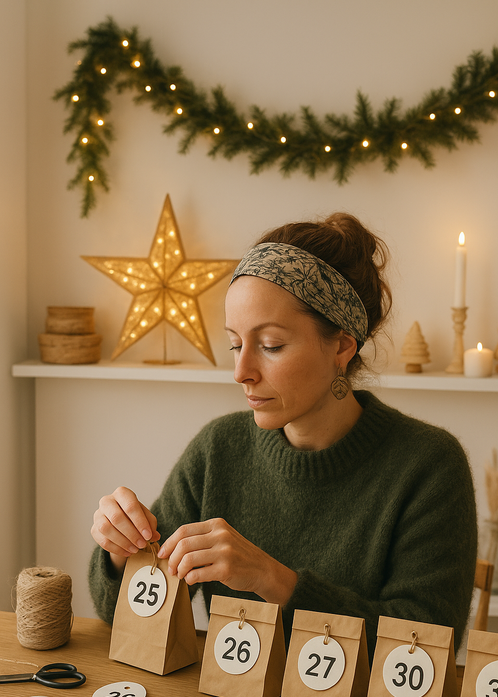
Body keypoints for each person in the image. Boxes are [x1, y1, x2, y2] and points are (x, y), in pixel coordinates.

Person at [89, 212, 477, 656]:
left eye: (270, 345)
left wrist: (276, 581)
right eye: (235, 344)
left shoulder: (428, 466)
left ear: (342, 346)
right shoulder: (218, 449)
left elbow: (428, 646)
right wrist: (122, 551)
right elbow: (119, 612)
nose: (241, 372)